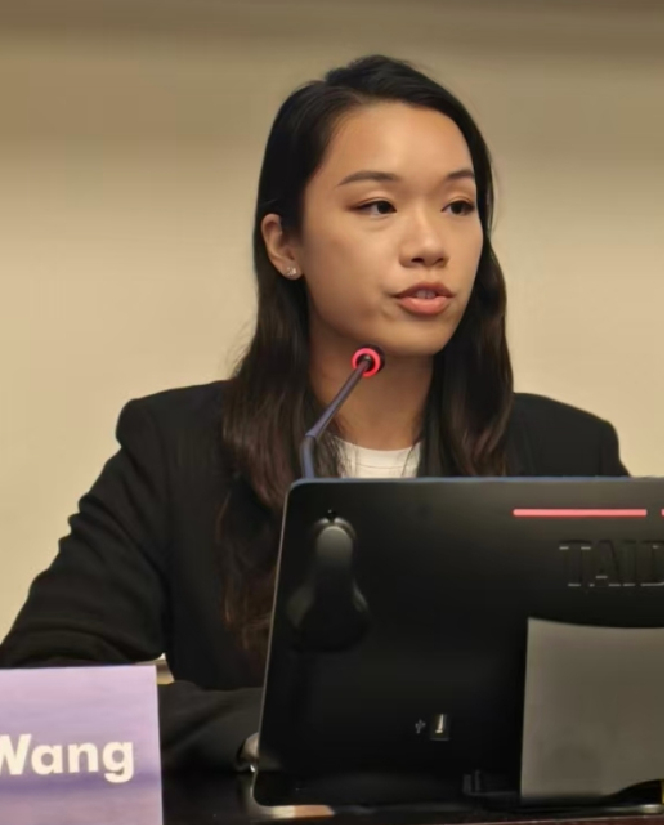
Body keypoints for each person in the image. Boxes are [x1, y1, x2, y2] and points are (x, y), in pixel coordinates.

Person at [0, 55, 627, 772]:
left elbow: (652, 689)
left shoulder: (570, 452)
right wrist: (272, 729)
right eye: (378, 207)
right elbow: (34, 697)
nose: (430, 245)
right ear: (284, 244)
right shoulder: (177, 452)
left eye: (458, 206)